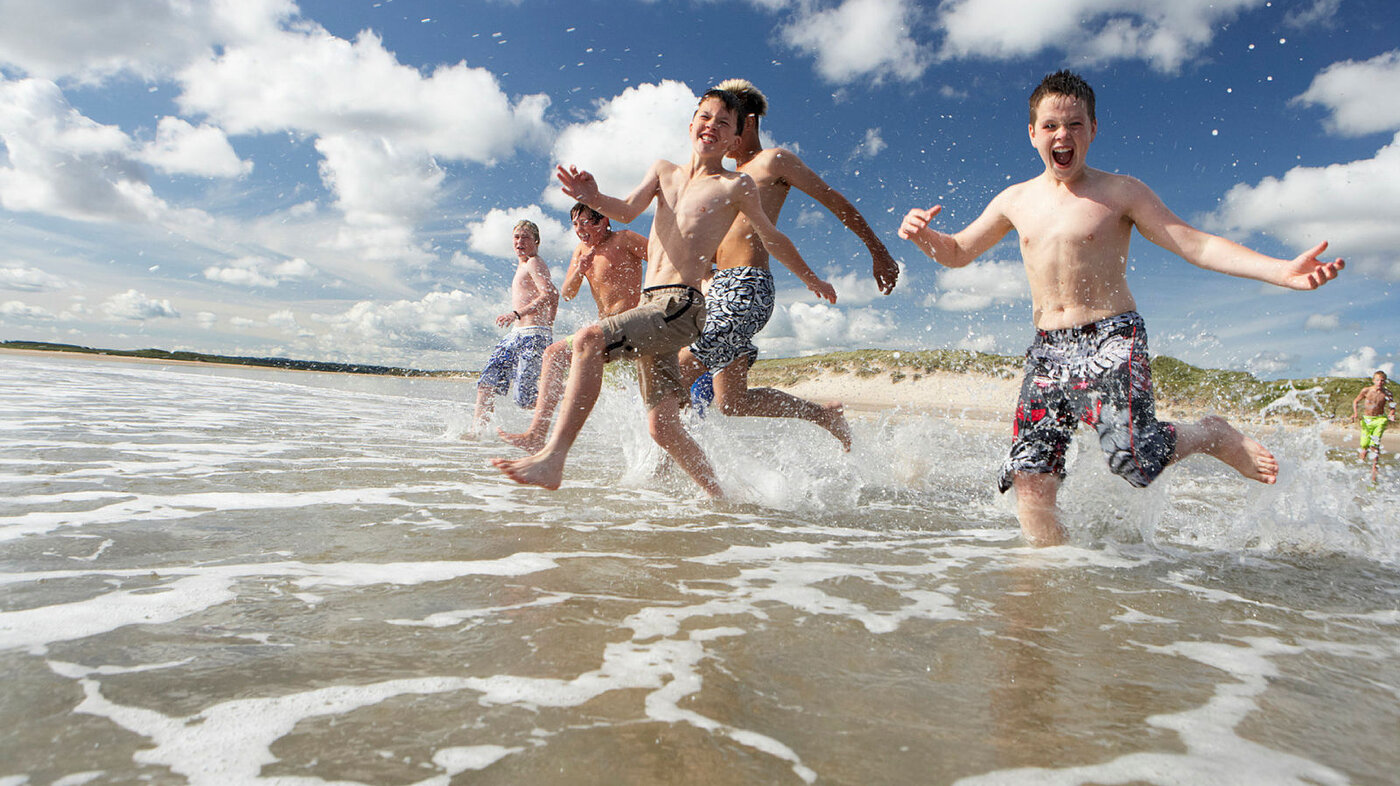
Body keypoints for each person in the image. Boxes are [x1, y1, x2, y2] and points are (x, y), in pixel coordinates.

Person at [898, 70, 1345, 546]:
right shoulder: (1014, 200)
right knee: (1030, 474)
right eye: (1050, 126)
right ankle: (1046, 578)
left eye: (1074, 125)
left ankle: (1213, 434)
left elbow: (1195, 244)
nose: (1062, 135)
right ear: (1032, 133)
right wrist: (925, 236)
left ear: (1093, 129)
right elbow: (957, 252)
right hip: (1049, 349)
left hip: (1112, 336)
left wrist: (1279, 270)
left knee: (1133, 457)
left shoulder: (1120, 192)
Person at [491, 89, 835, 496]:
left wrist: (811, 277)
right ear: (691, 126)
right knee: (662, 427)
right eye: (705, 117)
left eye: (724, 123)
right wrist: (592, 197)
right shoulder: (663, 172)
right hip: (653, 307)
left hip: (680, 306)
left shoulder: (735, 184)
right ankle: (721, 498)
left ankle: (552, 458)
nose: (712, 126)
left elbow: (771, 236)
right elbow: (625, 210)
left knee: (586, 340)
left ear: (732, 140)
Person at [677, 78, 897, 451]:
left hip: (747, 288)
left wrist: (878, 250)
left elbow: (834, 201)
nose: (718, 132)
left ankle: (671, 465)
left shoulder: (773, 161)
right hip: (718, 291)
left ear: (746, 122)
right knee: (732, 402)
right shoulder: (724, 179)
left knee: (681, 364)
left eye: (727, 122)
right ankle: (823, 415)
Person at [499, 202, 647, 452]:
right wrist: (581, 269)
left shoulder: (625, 239)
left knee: (644, 398)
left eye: (585, 223)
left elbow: (663, 260)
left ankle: (540, 436)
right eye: (575, 224)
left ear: (604, 221)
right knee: (554, 355)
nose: (579, 230)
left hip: (632, 325)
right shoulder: (581, 251)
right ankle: (537, 434)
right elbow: (567, 293)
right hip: (604, 330)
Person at [469, 219, 558, 436]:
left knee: (525, 400)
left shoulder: (534, 262)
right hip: (516, 334)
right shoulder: (522, 265)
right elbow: (555, 295)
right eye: (516, 237)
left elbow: (549, 294)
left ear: (536, 241)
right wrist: (550, 324)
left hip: (533, 336)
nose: (520, 241)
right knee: (487, 383)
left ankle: (564, 397)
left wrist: (519, 315)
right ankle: (475, 434)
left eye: (525, 237)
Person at [1353, 370, 1395, 483]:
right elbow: (1356, 401)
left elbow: (1392, 405)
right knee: (1364, 445)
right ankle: (1358, 468)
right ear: (1373, 380)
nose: (1379, 382)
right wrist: (1355, 413)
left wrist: (1391, 413)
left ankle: (1374, 467)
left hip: (1380, 420)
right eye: (1377, 380)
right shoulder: (1366, 390)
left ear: (1385, 381)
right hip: (1367, 420)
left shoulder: (1387, 393)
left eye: (1382, 380)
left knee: (1374, 443)